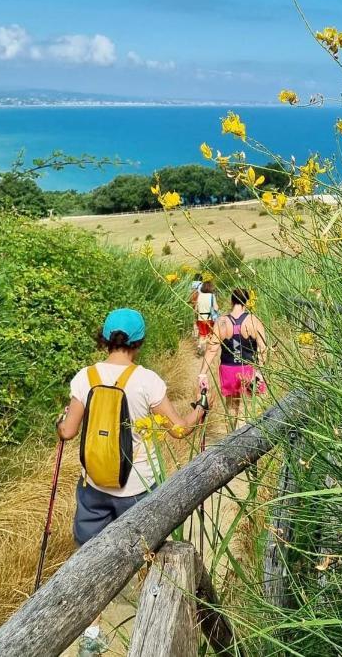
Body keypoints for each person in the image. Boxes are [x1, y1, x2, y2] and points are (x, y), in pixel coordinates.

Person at [57, 307, 207, 656]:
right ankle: (147, 627)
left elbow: (67, 431)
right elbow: (179, 432)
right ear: (138, 342)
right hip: (138, 488)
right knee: (150, 557)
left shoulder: (84, 377)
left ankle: (91, 636)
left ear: (105, 338)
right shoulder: (148, 381)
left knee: (89, 561)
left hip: (92, 487)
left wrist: (59, 422)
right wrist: (199, 410)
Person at [198, 288, 266, 424]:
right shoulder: (253, 320)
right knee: (247, 406)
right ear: (246, 302)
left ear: (231, 301)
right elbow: (262, 348)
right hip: (248, 368)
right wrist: (260, 371)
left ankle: (231, 437)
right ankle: (245, 438)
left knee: (231, 406)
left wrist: (202, 374)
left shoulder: (222, 321)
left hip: (228, 369)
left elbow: (212, 349)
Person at [195, 280, 218, 356]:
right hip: (209, 319)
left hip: (200, 318)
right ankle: (208, 352)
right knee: (210, 335)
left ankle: (200, 345)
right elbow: (216, 308)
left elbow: (196, 309)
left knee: (202, 335)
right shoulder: (212, 296)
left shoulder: (199, 295)